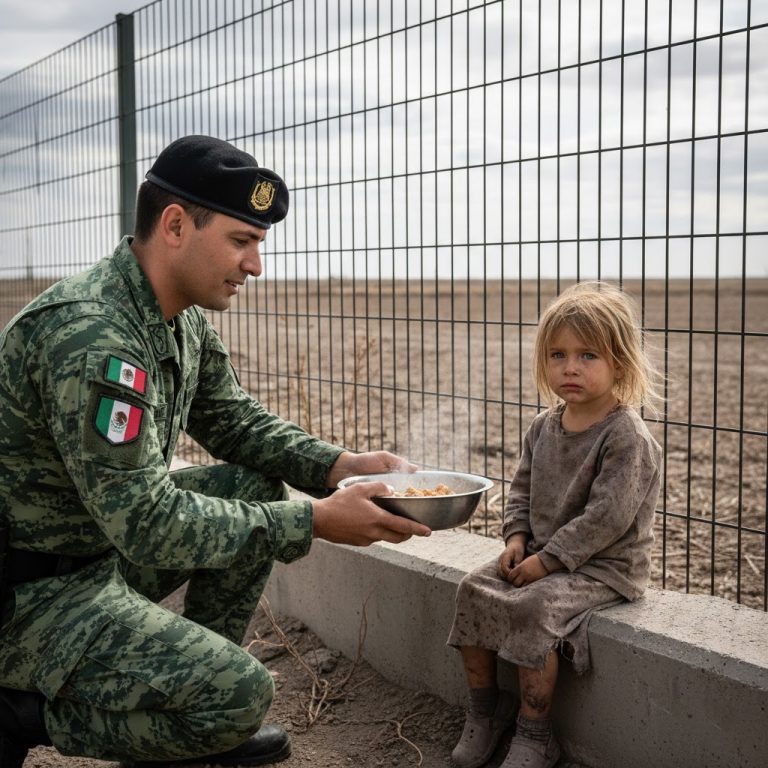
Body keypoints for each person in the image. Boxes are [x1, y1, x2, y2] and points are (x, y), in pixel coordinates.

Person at [0, 135, 432, 768]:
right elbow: (147, 525)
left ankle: (181, 712)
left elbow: (232, 419)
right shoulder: (95, 337)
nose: (255, 265)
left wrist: (339, 467)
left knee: (252, 485)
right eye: (240, 241)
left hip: (93, 558)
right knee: (240, 696)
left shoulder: (174, 315)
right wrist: (316, 521)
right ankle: (18, 714)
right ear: (175, 225)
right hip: (30, 598)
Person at [447, 281, 663, 768]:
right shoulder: (544, 426)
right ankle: (486, 710)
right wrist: (517, 539)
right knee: (471, 589)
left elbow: (608, 518)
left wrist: (548, 562)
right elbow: (521, 489)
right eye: (558, 354)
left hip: (605, 567)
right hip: (543, 554)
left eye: (588, 355)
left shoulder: (626, 436)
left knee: (535, 607)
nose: (570, 367)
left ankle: (536, 731)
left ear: (621, 363)